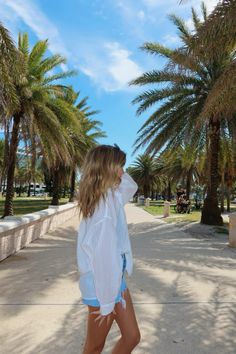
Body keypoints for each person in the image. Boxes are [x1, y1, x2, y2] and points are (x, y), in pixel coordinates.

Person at [77, 144, 141, 354]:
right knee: (94, 347)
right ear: (106, 169)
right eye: (119, 167)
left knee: (131, 337)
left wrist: (116, 167)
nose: (123, 172)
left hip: (115, 280)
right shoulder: (103, 209)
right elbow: (102, 259)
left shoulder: (111, 195)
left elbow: (131, 186)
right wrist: (106, 303)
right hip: (101, 285)